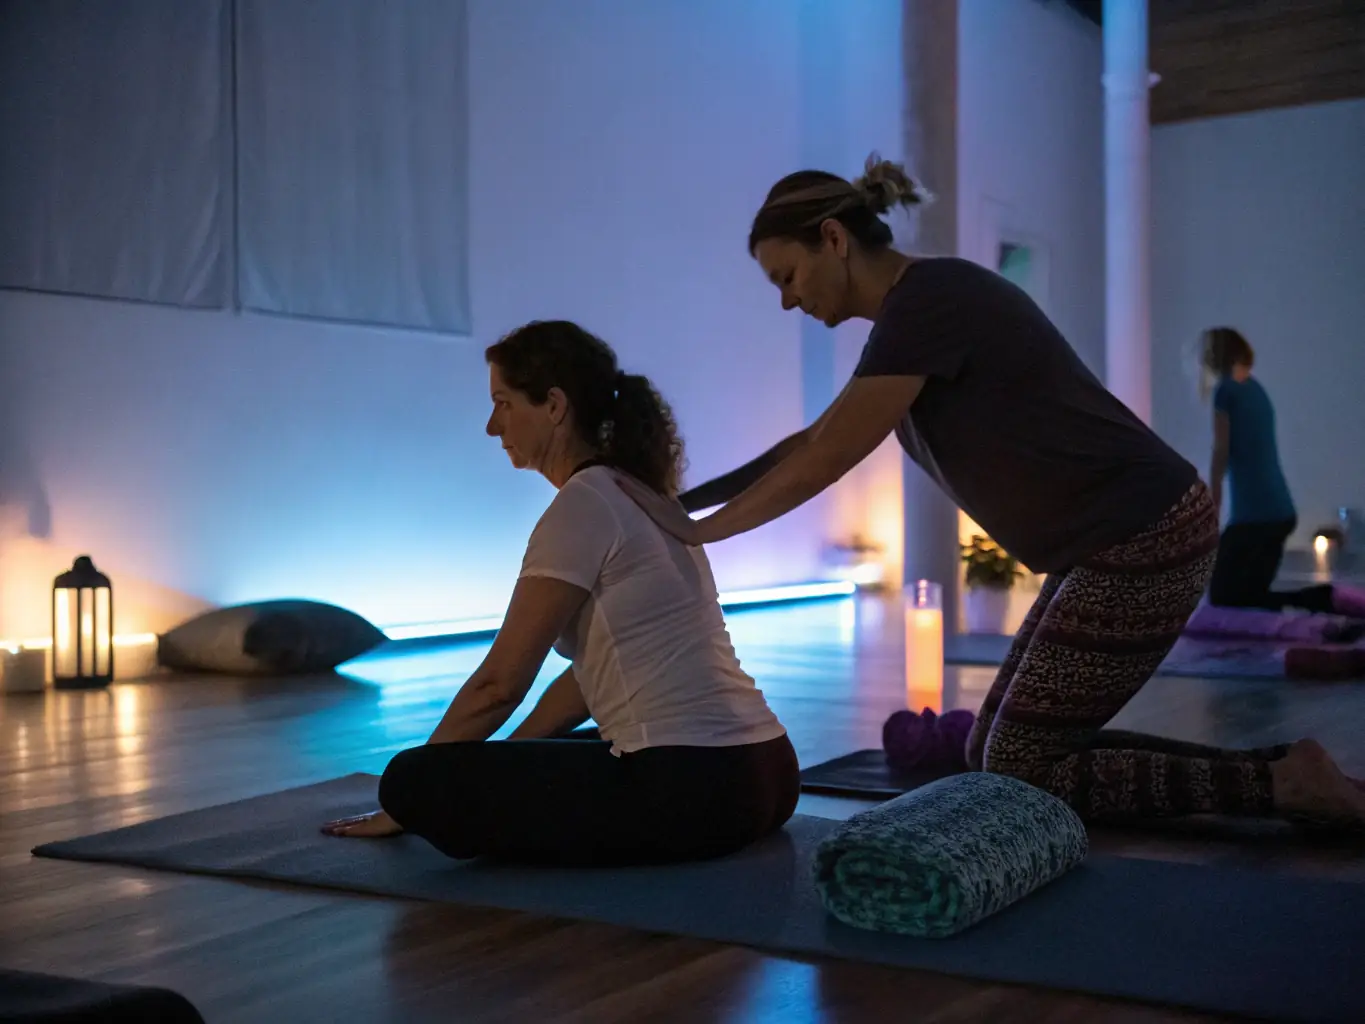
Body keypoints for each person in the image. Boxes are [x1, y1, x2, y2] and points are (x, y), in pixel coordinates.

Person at [623, 154, 1365, 827]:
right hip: (1110, 540)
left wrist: (697, 534)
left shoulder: (929, 300)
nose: (788, 301)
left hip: (1143, 532)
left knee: (1017, 763)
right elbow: (811, 440)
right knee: (994, 750)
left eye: (786, 276)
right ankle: (1283, 775)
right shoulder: (911, 317)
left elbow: (827, 457)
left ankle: (1280, 788)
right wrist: (680, 504)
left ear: (833, 239)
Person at [322, 320, 800, 864]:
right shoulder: (643, 495)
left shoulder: (583, 505)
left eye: (503, 403)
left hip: (691, 790)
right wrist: (502, 758)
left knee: (411, 777)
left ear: (553, 405)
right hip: (768, 772)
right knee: (530, 756)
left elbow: (498, 686)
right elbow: (588, 680)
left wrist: (411, 798)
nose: (492, 426)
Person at [1201, 327, 1335, 614]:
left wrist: (1213, 504)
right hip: (1279, 512)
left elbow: (1221, 450)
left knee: (1224, 597)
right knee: (1249, 596)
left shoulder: (1225, 390)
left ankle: (1325, 601)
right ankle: (1324, 600)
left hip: (1256, 517)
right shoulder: (1255, 388)